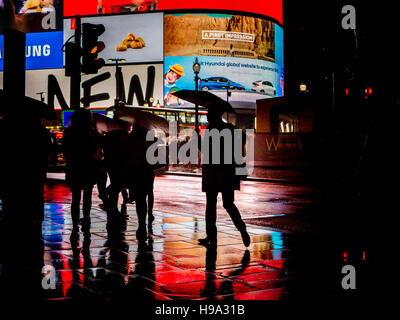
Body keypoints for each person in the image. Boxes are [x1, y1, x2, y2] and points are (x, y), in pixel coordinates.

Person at [198, 106, 250, 247]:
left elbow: (206, 150)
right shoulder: (230, 128)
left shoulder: (211, 130)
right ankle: (242, 229)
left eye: (209, 112)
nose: (207, 114)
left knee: (211, 205)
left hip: (213, 172)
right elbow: (242, 140)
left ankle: (211, 237)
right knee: (228, 204)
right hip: (227, 173)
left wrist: (198, 141)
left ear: (216, 114)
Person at [63, 108, 97, 238]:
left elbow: (65, 150)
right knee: (87, 196)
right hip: (88, 166)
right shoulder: (90, 132)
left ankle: (74, 223)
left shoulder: (69, 132)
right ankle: (86, 218)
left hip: (74, 167)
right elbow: (93, 149)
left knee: (75, 198)